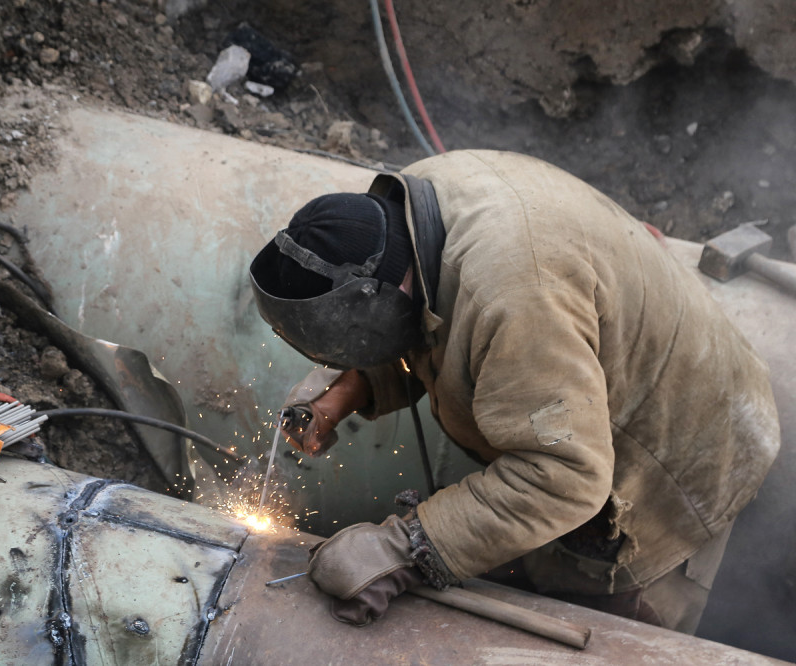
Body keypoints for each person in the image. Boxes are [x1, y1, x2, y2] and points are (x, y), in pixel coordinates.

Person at [248, 150, 780, 633]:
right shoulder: (412, 208)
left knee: (599, 630)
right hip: (575, 373)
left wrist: (404, 548)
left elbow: (567, 478)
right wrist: (347, 388)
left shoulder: (514, 303)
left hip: (678, 449)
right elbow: (424, 318)